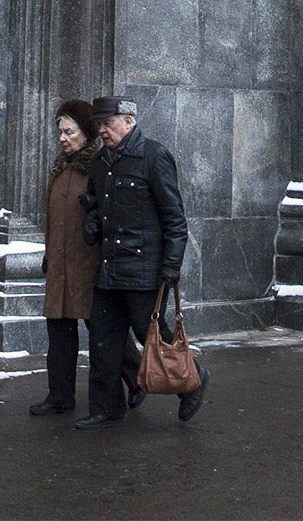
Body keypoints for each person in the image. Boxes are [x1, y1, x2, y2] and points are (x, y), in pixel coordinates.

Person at [77, 95, 207, 428]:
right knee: (103, 339)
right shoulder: (101, 161)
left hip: (143, 269)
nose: (103, 131)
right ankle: (106, 408)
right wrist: (91, 222)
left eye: (108, 124)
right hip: (108, 267)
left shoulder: (154, 156)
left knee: (153, 335)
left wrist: (171, 266)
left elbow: (175, 219)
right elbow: (94, 204)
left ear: (129, 121)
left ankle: (193, 380)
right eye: (99, 126)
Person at [32, 99, 140, 416]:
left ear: (86, 131)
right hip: (60, 264)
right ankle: (60, 395)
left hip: (89, 265)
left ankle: (137, 381)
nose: (63, 138)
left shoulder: (101, 164)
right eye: (60, 132)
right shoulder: (60, 168)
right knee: (59, 332)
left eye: (69, 132)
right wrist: (50, 256)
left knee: (104, 333)